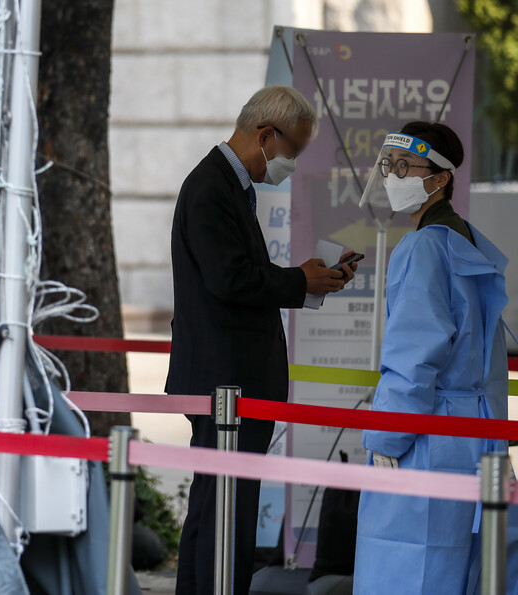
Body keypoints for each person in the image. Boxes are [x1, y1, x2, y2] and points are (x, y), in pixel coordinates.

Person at [166, 85, 357, 595]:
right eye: (292, 149)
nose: (290, 162)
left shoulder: (227, 186)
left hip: (231, 379)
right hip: (224, 384)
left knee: (217, 509)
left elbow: (239, 273)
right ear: (265, 134)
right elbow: (229, 279)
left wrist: (303, 277)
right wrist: (299, 282)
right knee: (225, 512)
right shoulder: (211, 187)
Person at [353, 122, 510, 594]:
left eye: (404, 166)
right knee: (462, 570)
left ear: (439, 178)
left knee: (406, 569)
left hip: (425, 432)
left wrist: (386, 436)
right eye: (388, 165)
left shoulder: (423, 247)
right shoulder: (469, 241)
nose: (391, 175)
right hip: (474, 434)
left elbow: (414, 355)